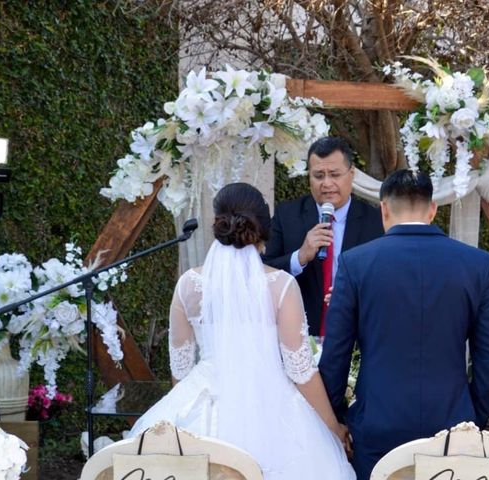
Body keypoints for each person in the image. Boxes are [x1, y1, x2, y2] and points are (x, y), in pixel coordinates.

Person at [129, 183, 355, 480]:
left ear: (217, 223)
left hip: (200, 401)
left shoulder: (188, 285)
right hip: (273, 408)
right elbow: (301, 370)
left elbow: (180, 370)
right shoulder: (281, 286)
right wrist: (333, 427)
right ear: (263, 227)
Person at [319, 169, 489, 480]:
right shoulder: (476, 264)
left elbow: (336, 352)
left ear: (384, 209)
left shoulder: (356, 263)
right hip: (453, 423)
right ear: (432, 209)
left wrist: (337, 418)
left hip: (377, 422)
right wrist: (473, 418)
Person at [263, 136, 383, 337]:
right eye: (318, 175)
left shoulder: (375, 221)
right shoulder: (287, 215)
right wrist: (299, 257)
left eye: (335, 174)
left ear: (351, 174)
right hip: (298, 334)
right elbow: (263, 272)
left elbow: (385, 279)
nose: (327, 183)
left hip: (358, 334)